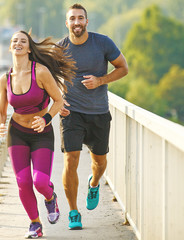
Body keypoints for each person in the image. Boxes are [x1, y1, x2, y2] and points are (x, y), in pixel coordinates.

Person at [0, 30, 76, 238]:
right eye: (15, 41)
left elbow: (58, 101)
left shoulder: (40, 72)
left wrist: (46, 119)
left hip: (42, 133)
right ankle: (35, 224)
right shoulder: (5, 79)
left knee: (40, 182)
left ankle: (51, 198)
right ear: (10, 47)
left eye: (23, 41)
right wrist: (0, 125)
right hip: (18, 133)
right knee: (23, 181)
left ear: (30, 48)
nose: (18, 43)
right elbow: (1, 111)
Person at [57, 3, 129, 230]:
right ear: (67, 23)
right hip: (71, 113)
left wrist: (100, 81)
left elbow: (123, 68)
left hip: (98, 112)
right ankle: (73, 212)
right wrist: (57, 99)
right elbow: (49, 77)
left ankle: (94, 182)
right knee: (71, 160)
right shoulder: (60, 48)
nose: (77, 22)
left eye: (81, 18)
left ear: (86, 22)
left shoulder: (103, 42)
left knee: (99, 162)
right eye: (72, 19)